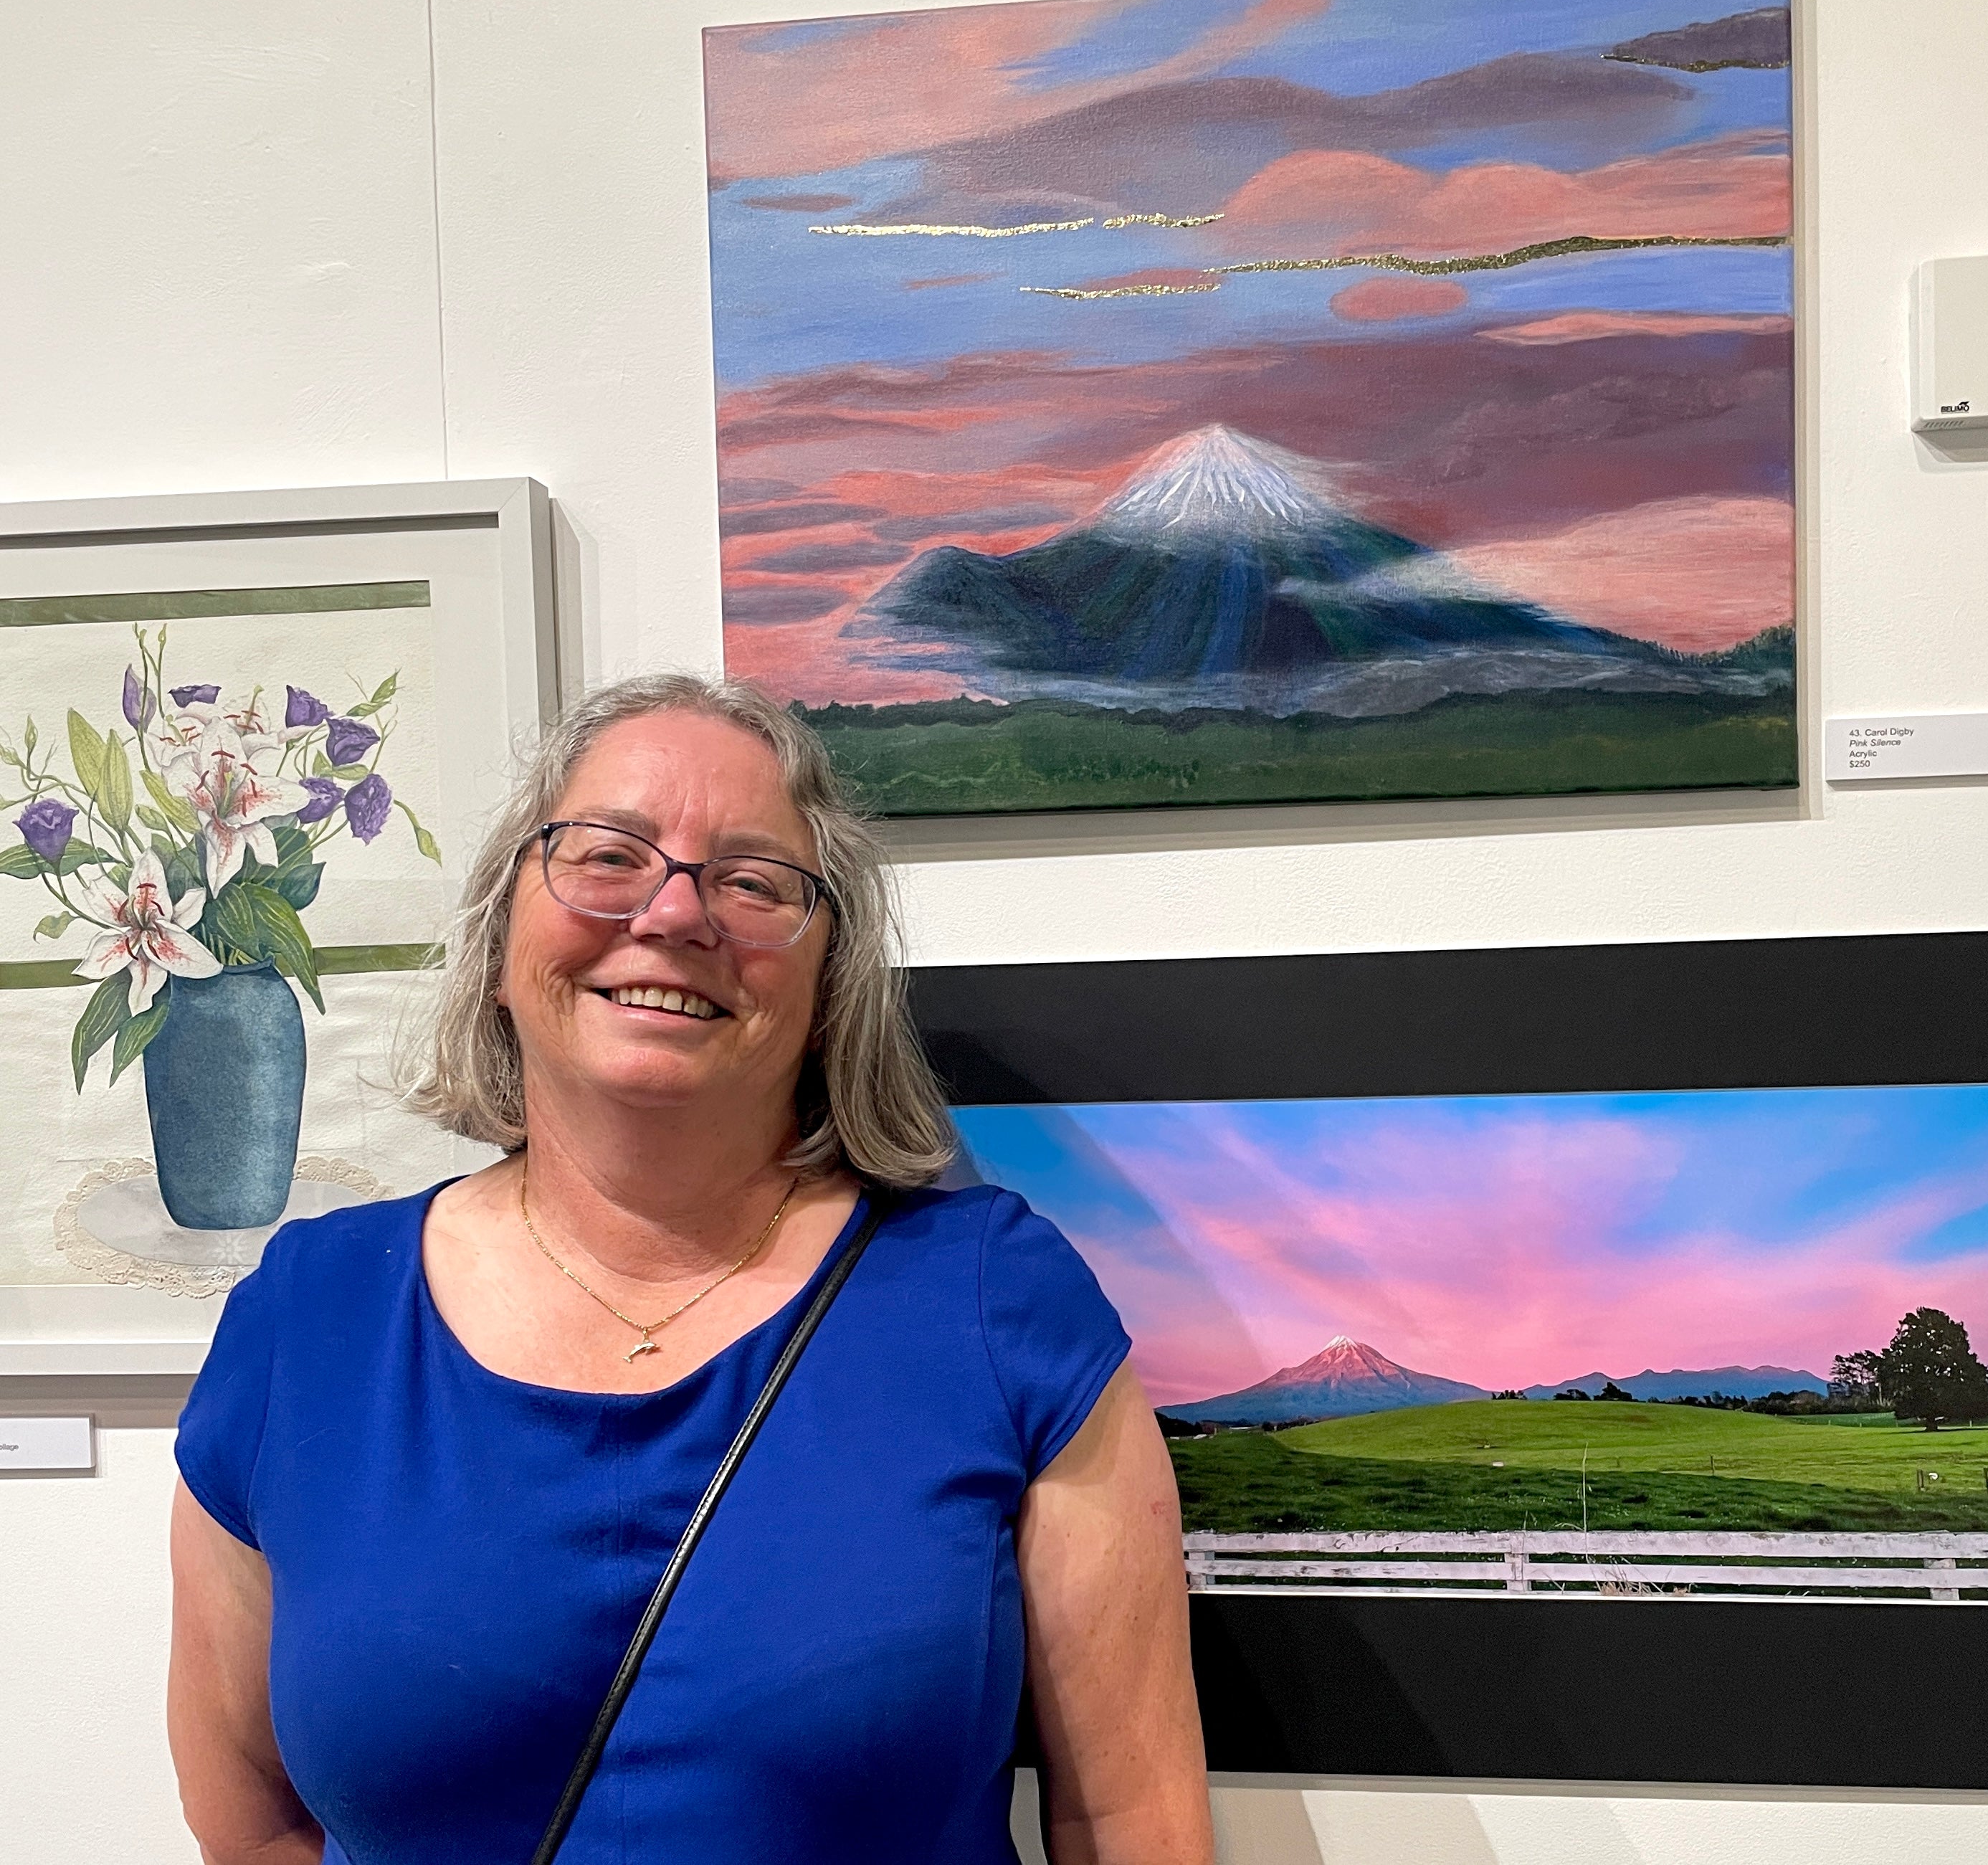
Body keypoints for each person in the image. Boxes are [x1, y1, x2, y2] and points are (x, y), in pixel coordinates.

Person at [167, 673, 1212, 1865]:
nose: (673, 913)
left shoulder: (995, 1302)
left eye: (754, 882)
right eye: (607, 856)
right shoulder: (308, 1319)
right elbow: (253, 1821)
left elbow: (1131, 1825)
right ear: (501, 940)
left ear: (827, 987)